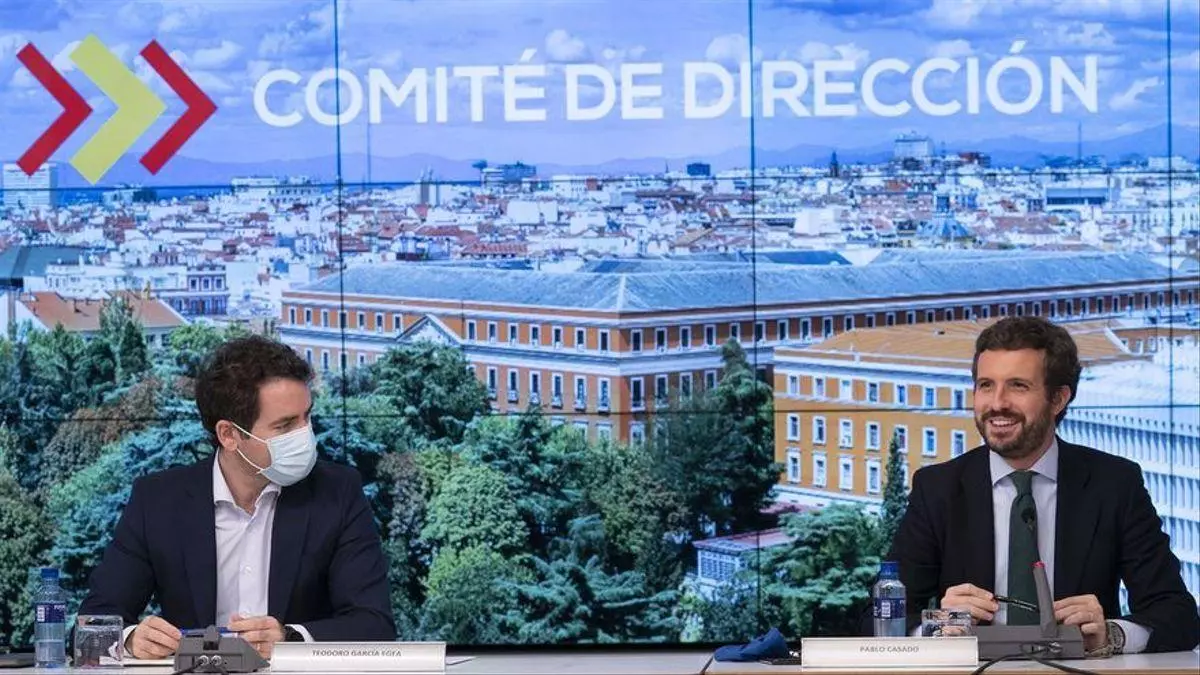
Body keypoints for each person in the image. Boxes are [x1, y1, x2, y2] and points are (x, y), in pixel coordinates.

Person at [882, 316, 1199, 654]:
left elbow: (1178, 615)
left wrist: (1110, 635)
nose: (997, 403)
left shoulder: (1114, 484)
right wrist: (936, 629)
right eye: (986, 385)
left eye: (1018, 386)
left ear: (1058, 398)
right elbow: (878, 617)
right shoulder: (938, 488)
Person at [79, 335, 395, 658]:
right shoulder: (158, 501)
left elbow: (374, 624)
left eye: (307, 417)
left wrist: (291, 639)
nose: (305, 435)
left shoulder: (337, 491)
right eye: (285, 426)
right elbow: (90, 625)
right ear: (229, 435)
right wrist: (131, 639)